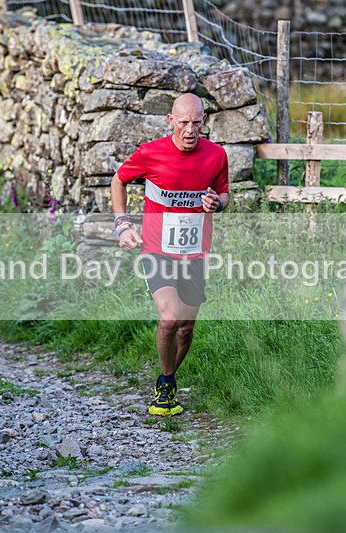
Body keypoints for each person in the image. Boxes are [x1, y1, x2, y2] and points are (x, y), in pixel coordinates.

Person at [111, 93, 230, 416]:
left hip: (195, 253)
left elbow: (224, 194)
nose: (190, 130)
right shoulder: (150, 153)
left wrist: (217, 204)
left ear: (204, 121)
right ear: (171, 120)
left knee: (186, 328)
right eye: (183, 122)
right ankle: (166, 385)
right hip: (157, 249)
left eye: (196, 123)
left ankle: (168, 376)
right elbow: (118, 180)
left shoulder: (216, 155)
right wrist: (122, 224)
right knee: (169, 318)